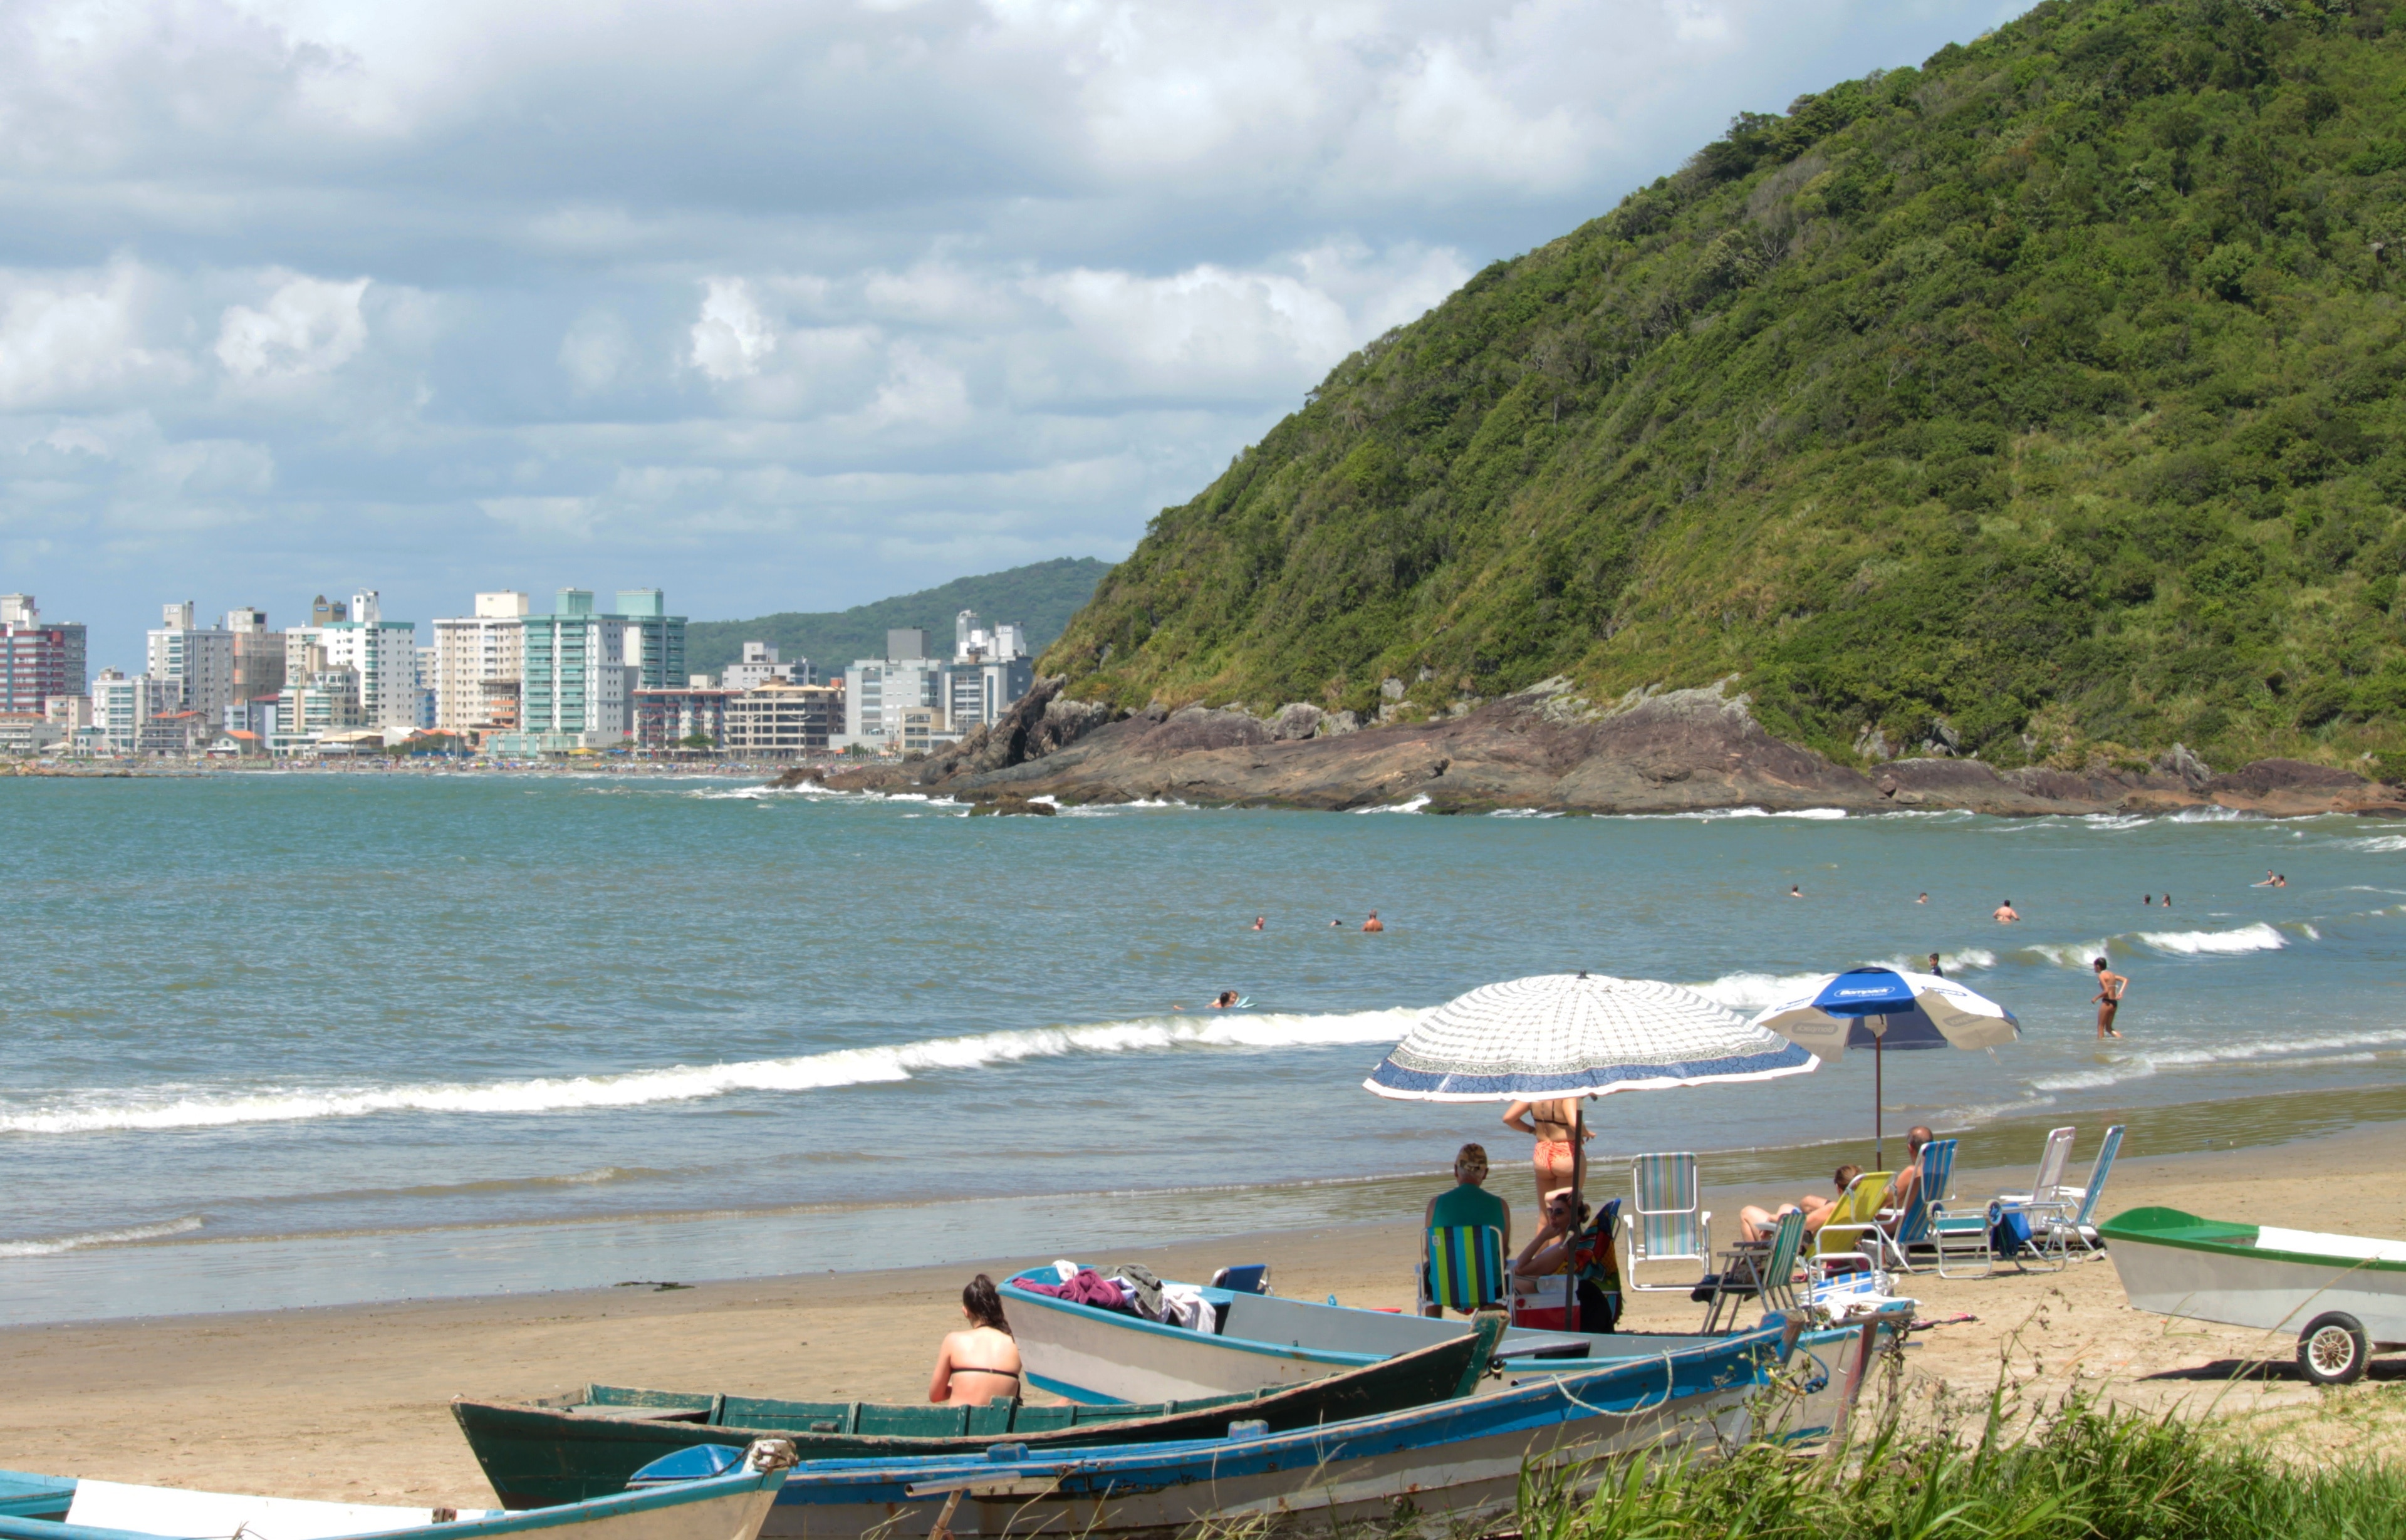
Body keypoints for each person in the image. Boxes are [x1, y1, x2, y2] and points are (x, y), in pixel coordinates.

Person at [1513, 1187, 1619, 1334]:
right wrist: (1576, 1193)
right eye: (1551, 1211)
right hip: (1560, 1293)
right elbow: (1548, 1196)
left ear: (1576, 1218)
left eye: (1559, 1212)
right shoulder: (1570, 1244)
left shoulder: (1567, 1247)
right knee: (1512, 1280)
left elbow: (1519, 1268)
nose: (1553, 1217)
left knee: (1511, 1281)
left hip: (1562, 1300)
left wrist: (1542, 1237)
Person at [1422, 1143, 1511, 1316]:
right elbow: (1503, 1250)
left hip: (1445, 1288)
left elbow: (1428, 1251)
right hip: (1488, 1289)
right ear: (1485, 1173)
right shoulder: (1500, 1205)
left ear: (1456, 1170)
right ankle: (1492, 1328)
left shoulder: (1436, 1204)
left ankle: (1434, 1327)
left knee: (1429, 1270)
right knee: (1498, 1271)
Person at [928, 1274, 1021, 1405]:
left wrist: (961, 1386)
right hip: (999, 1425)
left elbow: (935, 1395)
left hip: (960, 1424)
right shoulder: (1015, 1343)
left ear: (966, 1312)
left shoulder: (953, 1341)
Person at [1737, 1164, 1862, 1244]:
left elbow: (1801, 1225)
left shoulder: (1833, 1208)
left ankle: (1755, 1265)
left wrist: (1773, 1218)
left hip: (1797, 1247)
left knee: (1747, 1212)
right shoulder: (1862, 1207)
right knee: (1786, 1207)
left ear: (1839, 1188)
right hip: (1828, 1245)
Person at [1502, 1098, 1591, 1209]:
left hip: (1542, 1151)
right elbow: (1574, 1123)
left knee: (1545, 1217)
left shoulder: (1534, 1092)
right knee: (1566, 1212)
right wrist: (1587, 1133)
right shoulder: (1568, 1093)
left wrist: (1533, 1130)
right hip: (1565, 1151)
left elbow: (1508, 1118)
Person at [2092, 957, 2127, 1039]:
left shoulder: (2101, 975)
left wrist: (2095, 998)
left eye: (2094, 966)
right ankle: (2122, 1040)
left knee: (2100, 1027)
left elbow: (2106, 991)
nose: (2094, 968)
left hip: (2107, 1003)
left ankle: (2101, 1047)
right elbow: (2125, 980)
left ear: (2098, 966)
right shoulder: (2111, 975)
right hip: (2114, 1003)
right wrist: (2121, 992)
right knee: (2109, 1028)